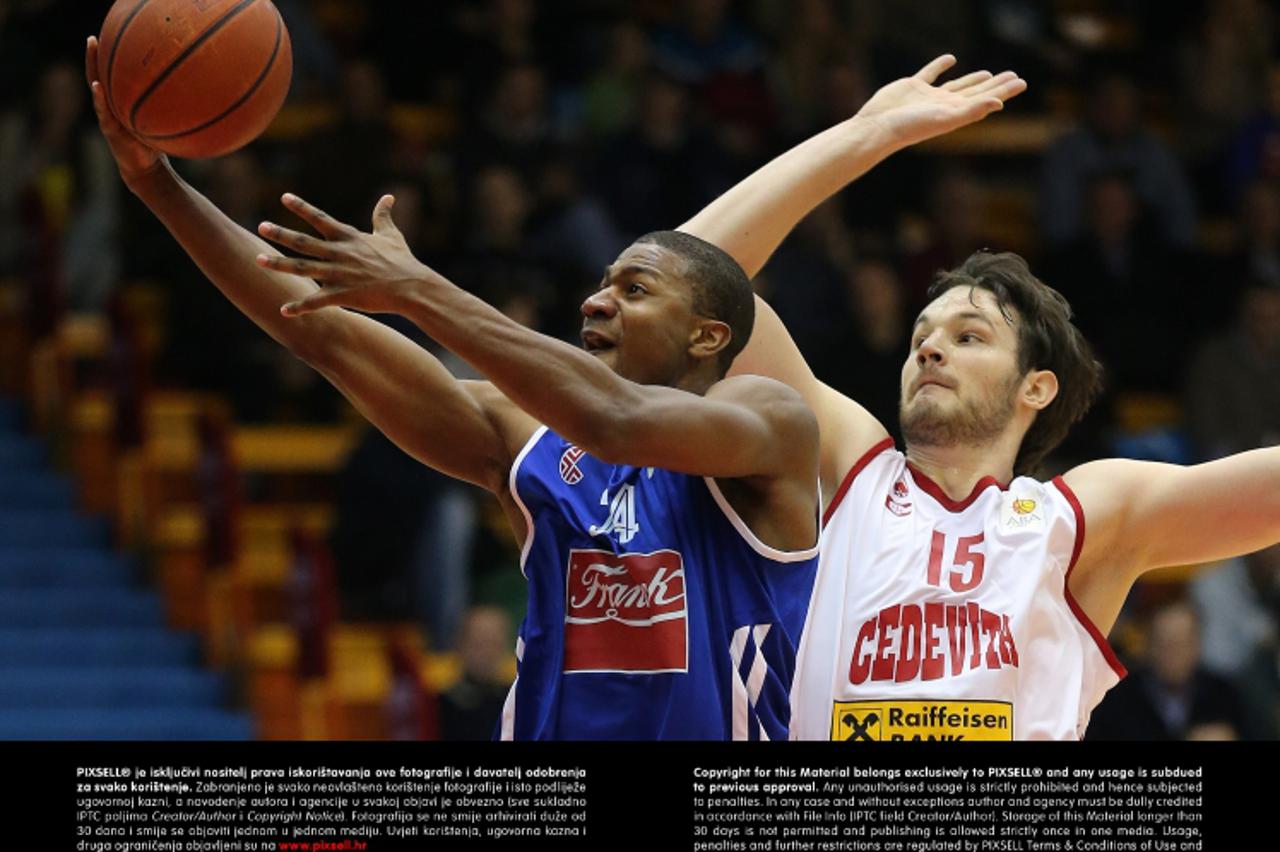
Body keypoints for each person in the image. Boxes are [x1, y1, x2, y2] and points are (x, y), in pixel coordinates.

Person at [84, 37, 823, 741]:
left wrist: (419, 290)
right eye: (600, 286)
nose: (597, 302)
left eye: (635, 289)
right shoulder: (531, 442)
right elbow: (322, 333)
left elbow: (618, 419)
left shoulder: (768, 421)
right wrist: (157, 184)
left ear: (707, 337)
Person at [676, 54, 1279, 740]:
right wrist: (866, 136)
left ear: (1036, 387)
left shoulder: (1078, 521)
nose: (931, 349)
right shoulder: (851, 469)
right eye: (922, 336)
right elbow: (682, 279)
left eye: (970, 337)